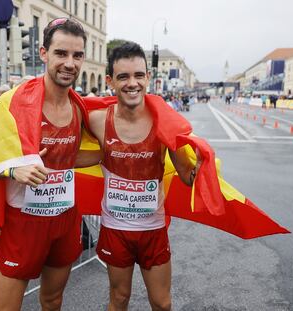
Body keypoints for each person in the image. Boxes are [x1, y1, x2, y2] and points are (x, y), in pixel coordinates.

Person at [0, 18, 87, 310]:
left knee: (53, 301)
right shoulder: (10, 103)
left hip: (66, 218)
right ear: (43, 53)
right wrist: (13, 170)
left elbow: (79, 154)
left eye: (77, 55)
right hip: (24, 222)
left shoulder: (80, 108)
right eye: (61, 53)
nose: (70, 63)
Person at [78, 42, 201, 311]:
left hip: (152, 231)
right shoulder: (97, 119)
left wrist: (201, 169)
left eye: (138, 75)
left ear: (147, 78)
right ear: (110, 81)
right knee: (119, 299)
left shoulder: (164, 122)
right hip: (115, 230)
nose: (131, 83)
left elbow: (186, 175)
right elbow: (59, 123)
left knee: (162, 302)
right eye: (123, 76)